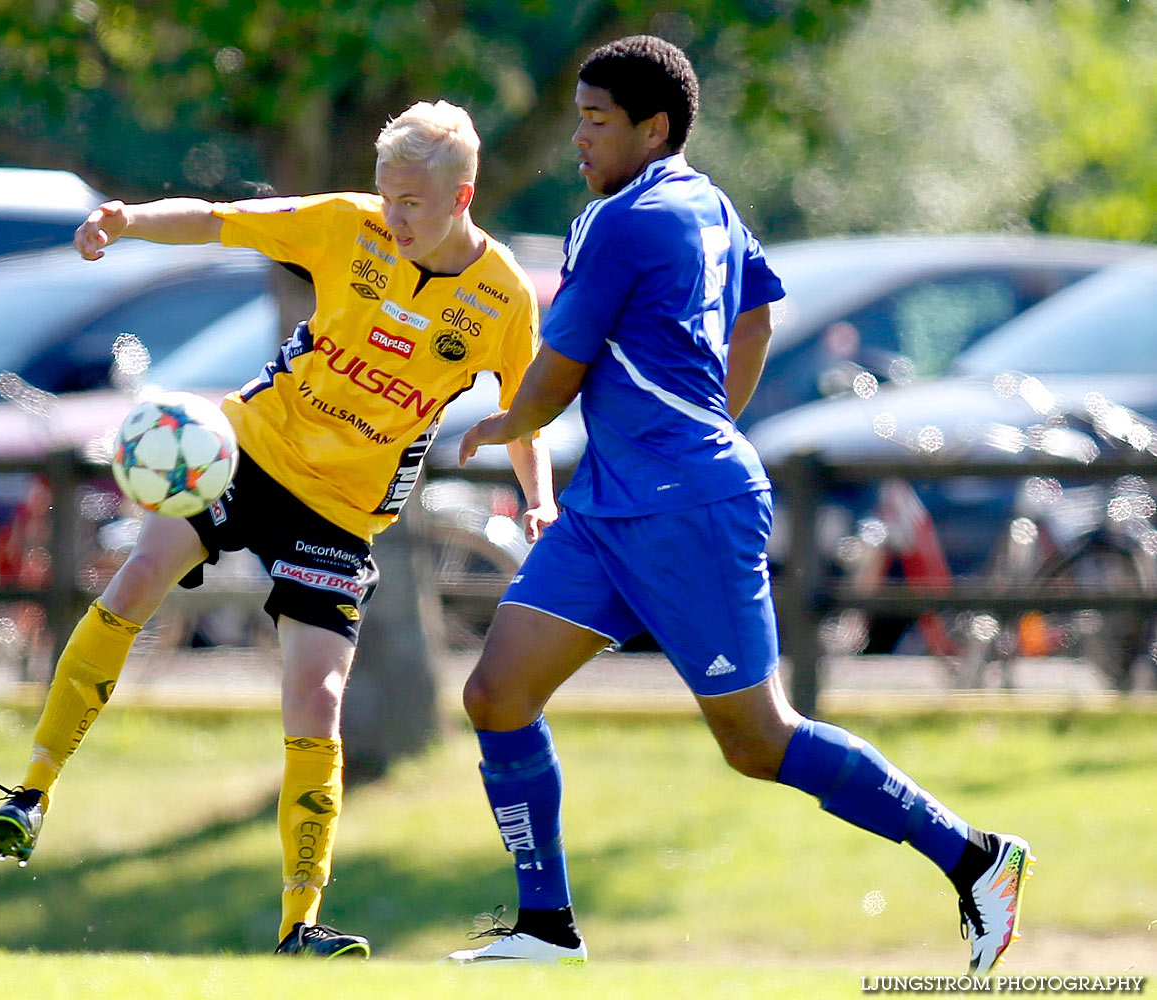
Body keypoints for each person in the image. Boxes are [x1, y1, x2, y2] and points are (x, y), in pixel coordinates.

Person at [443, 36, 1033, 974]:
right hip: (613, 506)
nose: (578, 140)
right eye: (578, 119)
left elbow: (560, 371)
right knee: (497, 691)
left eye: (596, 122)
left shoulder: (623, 220)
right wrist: (711, 412)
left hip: (687, 512)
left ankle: (979, 859)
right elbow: (761, 309)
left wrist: (510, 419)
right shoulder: (706, 200)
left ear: (654, 128)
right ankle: (545, 927)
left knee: (759, 742)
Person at [0, 100, 557, 960]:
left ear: (463, 194)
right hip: (247, 448)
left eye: (411, 203)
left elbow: (527, 413)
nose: (391, 217)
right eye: (385, 195)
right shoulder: (347, 227)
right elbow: (221, 222)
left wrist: (538, 497)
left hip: (344, 510)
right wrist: (128, 219)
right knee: (136, 583)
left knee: (317, 700)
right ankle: (31, 790)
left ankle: (300, 924)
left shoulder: (500, 294)